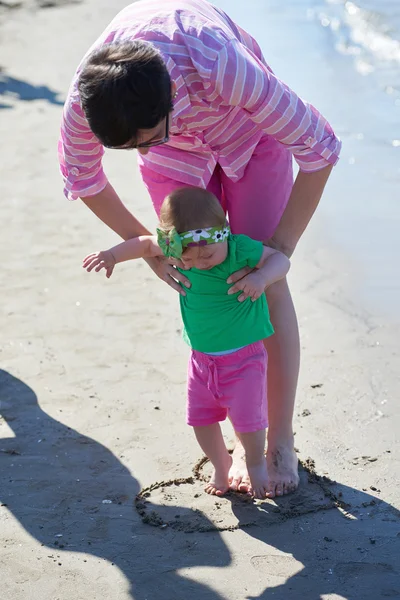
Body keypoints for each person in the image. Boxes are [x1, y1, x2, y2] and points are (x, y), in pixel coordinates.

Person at [59, 0, 342, 497]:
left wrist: (279, 249)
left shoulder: (222, 67)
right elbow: (82, 175)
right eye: (129, 145)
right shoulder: (88, 101)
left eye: (143, 136)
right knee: (200, 275)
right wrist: (150, 248)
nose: (135, 146)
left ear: (168, 97)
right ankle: (233, 438)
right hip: (174, 156)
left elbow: (319, 149)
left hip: (250, 135)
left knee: (260, 283)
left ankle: (279, 439)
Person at [83, 187, 290, 498]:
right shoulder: (177, 248)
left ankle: (257, 465)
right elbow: (143, 245)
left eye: (206, 254)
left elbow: (280, 260)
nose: (198, 262)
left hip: (244, 358)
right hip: (202, 361)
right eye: (187, 258)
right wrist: (113, 255)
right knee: (200, 420)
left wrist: (261, 278)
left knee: (249, 421)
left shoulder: (237, 250)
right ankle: (221, 465)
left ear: (223, 235)